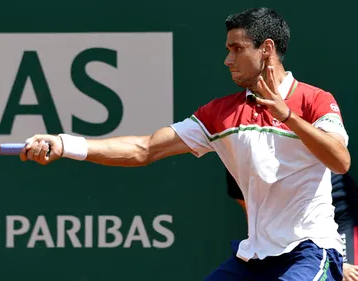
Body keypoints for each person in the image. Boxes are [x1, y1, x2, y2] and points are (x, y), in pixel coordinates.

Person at [21, 7, 351, 281]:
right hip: (255, 257)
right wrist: (65, 144)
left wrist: (289, 116)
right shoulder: (220, 113)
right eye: (228, 49)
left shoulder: (315, 100)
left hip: (310, 250)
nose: (227, 59)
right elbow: (145, 149)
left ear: (266, 49)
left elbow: (340, 161)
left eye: (236, 48)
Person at [226, 170, 358, 281]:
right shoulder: (233, 151)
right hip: (293, 232)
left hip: (338, 214)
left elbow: (341, 160)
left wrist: (334, 264)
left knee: (348, 275)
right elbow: (255, 221)